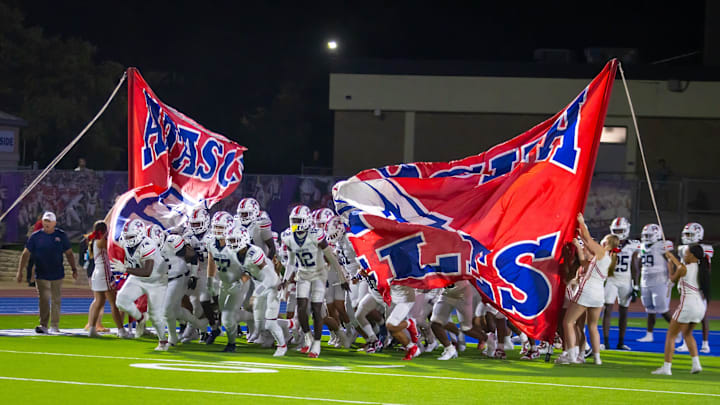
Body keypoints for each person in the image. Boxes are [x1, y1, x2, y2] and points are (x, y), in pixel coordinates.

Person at [281, 205, 348, 358]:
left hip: (318, 274)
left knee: (317, 310)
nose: (295, 223)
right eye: (293, 220)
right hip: (303, 274)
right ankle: (307, 336)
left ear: (306, 221)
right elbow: (291, 262)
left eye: (298, 220)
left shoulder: (316, 235)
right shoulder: (288, 237)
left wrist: (341, 276)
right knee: (301, 309)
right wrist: (285, 280)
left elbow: (331, 257)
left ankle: (317, 343)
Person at [557, 213, 618, 365]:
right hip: (599, 295)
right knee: (592, 326)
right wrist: (579, 242)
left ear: (607, 243)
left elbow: (589, 240)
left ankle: (570, 355)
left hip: (587, 292)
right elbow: (585, 259)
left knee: (568, 322)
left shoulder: (602, 252)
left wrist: (582, 223)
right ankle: (597, 358)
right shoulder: (608, 258)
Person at [226, 224, 292, 356]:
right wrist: (238, 283)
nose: (232, 243)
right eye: (230, 240)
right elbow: (247, 272)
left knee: (270, 323)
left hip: (272, 285)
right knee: (261, 325)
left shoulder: (254, 252)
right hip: (260, 285)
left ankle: (282, 346)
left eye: (234, 240)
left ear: (243, 239)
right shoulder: (235, 254)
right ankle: (290, 324)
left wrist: (256, 293)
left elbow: (270, 276)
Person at [110, 219, 169, 351]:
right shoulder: (124, 241)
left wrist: (125, 269)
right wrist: (125, 272)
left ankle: (163, 341)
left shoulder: (148, 245)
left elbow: (147, 271)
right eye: (127, 236)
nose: (128, 239)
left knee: (155, 315)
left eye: (131, 236)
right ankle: (141, 318)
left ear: (140, 233)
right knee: (121, 300)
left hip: (156, 281)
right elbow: (131, 261)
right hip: (137, 277)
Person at [16, 211, 78, 333]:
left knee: (56, 299)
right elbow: (25, 254)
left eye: (49, 221)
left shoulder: (61, 235)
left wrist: (74, 269)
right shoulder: (35, 236)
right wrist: (20, 271)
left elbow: (69, 253)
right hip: (41, 273)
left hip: (57, 273)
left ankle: (55, 325)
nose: (47, 223)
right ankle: (43, 325)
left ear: (54, 223)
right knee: (43, 299)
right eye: (45, 221)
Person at [652, 244, 710, 375]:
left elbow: (672, 278)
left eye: (687, 253)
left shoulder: (684, 268)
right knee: (688, 334)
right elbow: (681, 266)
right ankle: (696, 364)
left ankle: (666, 368)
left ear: (692, 256)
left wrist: (669, 263)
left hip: (687, 305)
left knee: (671, 335)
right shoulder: (701, 268)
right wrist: (672, 257)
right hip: (700, 307)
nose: (684, 255)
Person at [602, 217, 641, 350]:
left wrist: (635, 286)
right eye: (616, 230)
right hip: (612, 280)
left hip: (625, 280)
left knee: (623, 311)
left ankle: (621, 342)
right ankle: (606, 343)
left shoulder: (633, 245)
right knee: (608, 310)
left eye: (621, 230)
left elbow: (635, 267)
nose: (618, 233)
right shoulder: (607, 242)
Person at [674, 223, 713, 354]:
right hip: (687, 285)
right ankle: (685, 343)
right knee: (686, 315)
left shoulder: (704, 250)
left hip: (698, 285)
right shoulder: (682, 249)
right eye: (686, 234)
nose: (687, 237)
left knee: (702, 316)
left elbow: (707, 270)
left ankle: (705, 344)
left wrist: (703, 287)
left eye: (690, 234)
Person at [86, 221, 127, 338]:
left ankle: (92, 329)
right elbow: (113, 246)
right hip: (104, 275)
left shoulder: (95, 241)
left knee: (99, 302)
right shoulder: (101, 241)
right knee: (114, 303)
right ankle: (121, 330)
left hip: (97, 274)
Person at [636, 224, 674, 343]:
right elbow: (639, 263)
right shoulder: (642, 246)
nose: (647, 237)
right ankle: (649, 334)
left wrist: (671, 277)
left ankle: (678, 332)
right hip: (646, 280)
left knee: (663, 309)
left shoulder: (663, 245)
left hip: (660, 279)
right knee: (649, 309)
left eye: (649, 235)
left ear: (657, 234)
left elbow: (671, 261)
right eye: (645, 235)